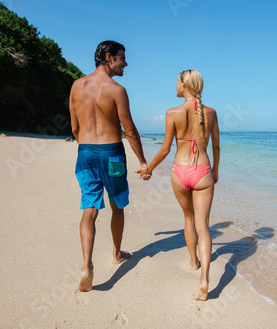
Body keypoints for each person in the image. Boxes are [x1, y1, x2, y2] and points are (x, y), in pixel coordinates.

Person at [69, 40, 150, 292]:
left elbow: (74, 128)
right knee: (116, 205)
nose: (126, 63)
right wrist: (143, 161)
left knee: (89, 208)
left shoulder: (76, 86)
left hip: (85, 153)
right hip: (112, 154)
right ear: (108, 57)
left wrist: (87, 147)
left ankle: (86, 266)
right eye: (122, 58)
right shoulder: (116, 89)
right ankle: (116, 253)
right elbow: (131, 131)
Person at [139, 69, 220, 301]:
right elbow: (216, 147)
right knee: (203, 225)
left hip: (180, 171)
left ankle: (194, 262)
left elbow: (165, 149)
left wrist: (148, 169)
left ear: (184, 84)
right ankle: (204, 280)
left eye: (177, 81)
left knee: (189, 219)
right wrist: (215, 171)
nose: (175, 85)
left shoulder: (173, 113)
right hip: (203, 171)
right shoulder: (212, 113)